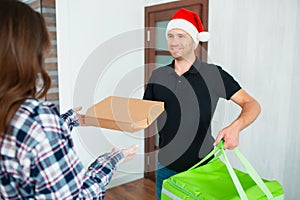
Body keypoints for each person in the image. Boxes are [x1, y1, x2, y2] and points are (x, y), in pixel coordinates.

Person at [0, 1, 138, 199]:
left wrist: (68, 120)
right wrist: (110, 161)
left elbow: (24, 141)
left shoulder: (20, 118)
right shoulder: (38, 121)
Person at [143, 8, 261, 199]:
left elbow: (252, 104)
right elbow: (144, 113)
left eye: (181, 36)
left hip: (202, 167)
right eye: (170, 35)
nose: (174, 42)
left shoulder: (213, 74)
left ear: (195, 40)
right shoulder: (158, 75)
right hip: (165, 167)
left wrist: (235, 127)